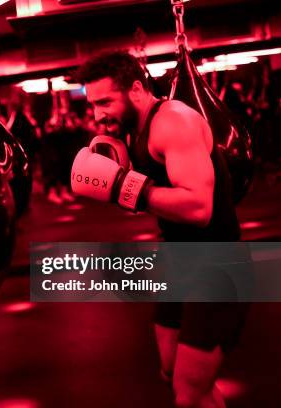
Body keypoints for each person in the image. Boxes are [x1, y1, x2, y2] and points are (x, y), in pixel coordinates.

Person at [73, 51, 248, 408]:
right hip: (179, 258)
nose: (97, 114)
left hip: (219, 264)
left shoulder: (172, 123)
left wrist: (126, 187)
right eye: (92, 104)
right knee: (172, 370)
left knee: (187, 393)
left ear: (136, 89)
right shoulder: (134, 129)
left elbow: (199, 208)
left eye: (105, 101)